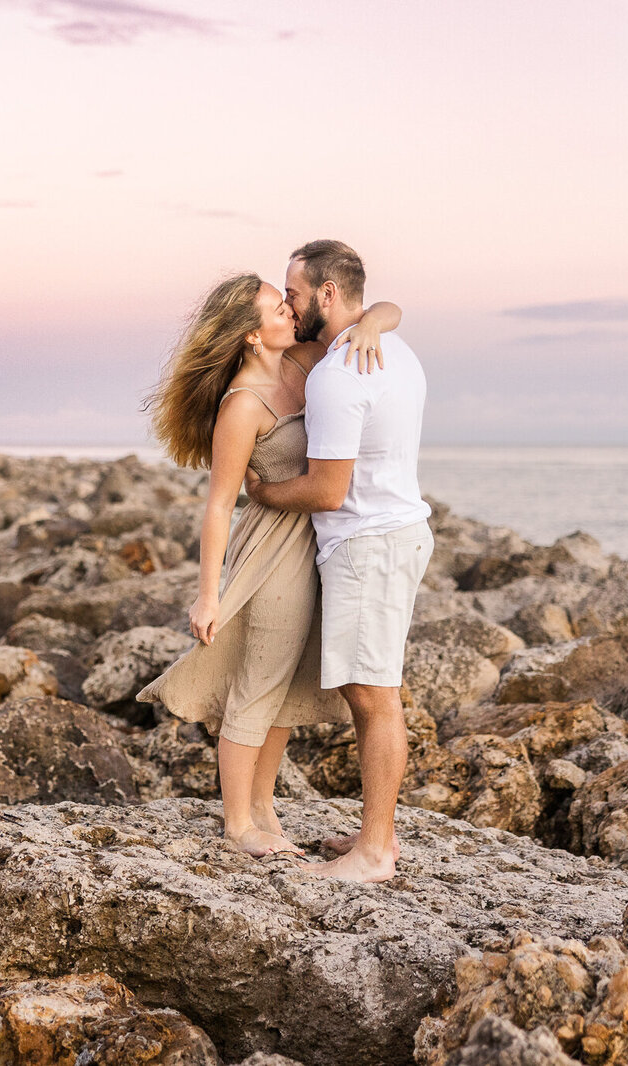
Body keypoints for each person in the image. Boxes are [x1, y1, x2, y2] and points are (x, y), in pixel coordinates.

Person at [137, 272, 400, 857]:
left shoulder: (302, 365)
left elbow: (381, 310)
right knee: (256, 686)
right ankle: (236, 824)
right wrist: (209, 595)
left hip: (310, 544)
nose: (291, 314)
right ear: (252, 335)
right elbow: (217, 509)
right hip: (270, 552)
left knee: (282, 690)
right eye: (279, 309)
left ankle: (262, 807)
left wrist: (377, 321)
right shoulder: (241, 406)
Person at [246, 239, 432, 883]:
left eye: (294, 293)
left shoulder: (337, 373)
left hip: (368, 545)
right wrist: (382, 312)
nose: (289, 304)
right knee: (371, 689)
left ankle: (376, 851)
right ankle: (371, 836)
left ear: (328, 294)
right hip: (395, 533)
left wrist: (264, 492)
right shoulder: (392, 348)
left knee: (373, 695)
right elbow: (389, 309)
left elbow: (327, 489)